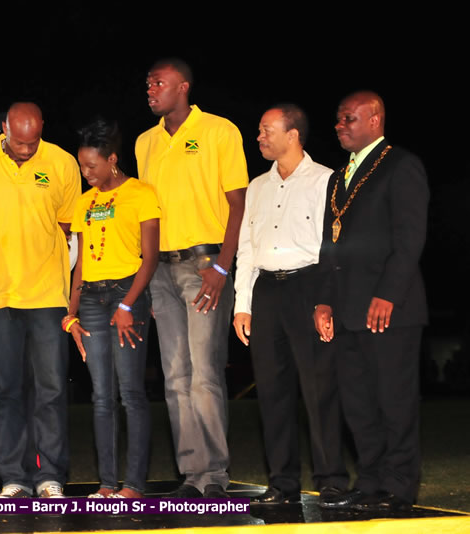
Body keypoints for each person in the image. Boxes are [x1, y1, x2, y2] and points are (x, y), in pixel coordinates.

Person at [135, 58, 248, 498]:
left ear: (183, 86)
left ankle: (214, 475)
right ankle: (192, 474)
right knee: (175, 375)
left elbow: (237, 204)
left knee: (204, 373)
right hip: (160, 270)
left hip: (204, 266)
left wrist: (221, 266)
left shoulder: (219, 131)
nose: (150, 89)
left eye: (158, 82)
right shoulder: (145, 142)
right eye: (148, 83)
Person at [314, 91, 428, 511]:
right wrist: (324, 301)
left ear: (375, 119)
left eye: (349, 118)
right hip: (347, 310)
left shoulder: (401, 165)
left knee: (393, 402)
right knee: (358, 404)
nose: (339, 125)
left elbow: (410, 238)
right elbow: (330, 244)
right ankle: (370, 481)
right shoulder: (339, 176)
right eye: (338, 118)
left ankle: (398, 487)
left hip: (388, 310)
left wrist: (387, 294)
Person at [233, 105, 348, 505]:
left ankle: (332, 480)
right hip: (266, 291)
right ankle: (282, 484)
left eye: (267, 130)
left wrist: (325, 300)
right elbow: (246, 248)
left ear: (293, 134)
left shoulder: (325, 181)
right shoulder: (256, 187)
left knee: (319, 389)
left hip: (308, 287)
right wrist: (242, 305)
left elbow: (332, 248)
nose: (259, 137)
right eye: (260, 130)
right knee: (271, 392)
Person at [0, 102, 80, 498]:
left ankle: (50, 476)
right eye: (19, 142)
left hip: (47, 295)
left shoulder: (63, 163)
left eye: (33, 142)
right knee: (4, 391)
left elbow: (68, 224)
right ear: (5, 128)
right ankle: (13, 477)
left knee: (51, 389)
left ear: (42, 128)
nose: (27, 150)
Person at [65, 118, 160, 498]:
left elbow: (150, 258)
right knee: (101, 396)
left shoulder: (141, 193)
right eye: (81, 165)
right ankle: (107, 485)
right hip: (90, 299)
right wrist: (70, 313)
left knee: (131, 393)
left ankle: (133, 484)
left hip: (127, 295)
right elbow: (81, 264)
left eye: (92, 165)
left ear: (112, 160)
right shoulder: (84, 203)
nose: (86, 173)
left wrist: (127, 304)